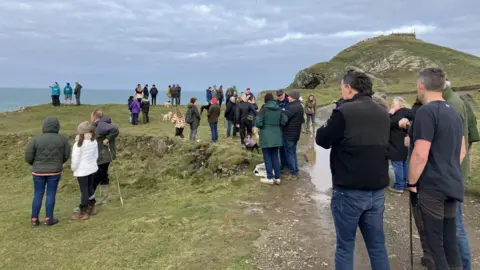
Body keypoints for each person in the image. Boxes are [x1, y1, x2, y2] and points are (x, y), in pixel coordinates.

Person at [315, 69, 391, 269]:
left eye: (342, 87)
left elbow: (322, 139)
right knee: (377, 245)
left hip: (348, 190)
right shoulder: (383, 113)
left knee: (345, 246)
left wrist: (337, 111)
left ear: (349, 88)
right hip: (376, 191)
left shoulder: (344, 112)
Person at [407, 68, 466, 270]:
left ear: (422, 86)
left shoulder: (426, 112)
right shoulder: (454, 112)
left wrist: (412, 182)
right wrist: (447, 167)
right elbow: (462, 151)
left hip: (432, 188)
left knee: (434, 243)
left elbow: (420, 153)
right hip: (452, 182)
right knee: (450, 240)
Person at [25, 117, 70, 227]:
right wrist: (58, 163)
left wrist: (35, 164)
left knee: (37, 194)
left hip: (38, 171)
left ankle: (34, 219)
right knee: (51, 194)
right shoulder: (62, 139)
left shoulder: (35, 139)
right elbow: (66, 155)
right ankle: (48, 218)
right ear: (57, 126)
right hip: (54, 171)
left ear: (44, 126)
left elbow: (28, 156)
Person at [255, 93, 288, 185]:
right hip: (277, 136)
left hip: (265, 136)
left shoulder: (263, 109)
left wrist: (263, 126)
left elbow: (258, 123)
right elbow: (284, 120)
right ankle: (277, 178)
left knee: (267, 157)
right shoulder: (279, 108)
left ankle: (269, 177)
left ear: (266, 100)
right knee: (275, 157)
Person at [70, 122, 98, 220]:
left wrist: (74, 168)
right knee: (90, 187)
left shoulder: (78, 144)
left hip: (82, 170)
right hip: (92, 168)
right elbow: (96, 155)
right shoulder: (93, 141)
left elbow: (75, 159)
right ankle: (92, 206)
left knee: (84, 190)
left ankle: (83, 211)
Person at [91, 110, 119, 206]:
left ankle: (89, 201)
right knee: (103, 176)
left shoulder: (101, 124)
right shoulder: (101, 124)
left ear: (94, 117)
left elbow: (115, 129)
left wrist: (108, 139)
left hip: (104, 155)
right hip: (104, 155)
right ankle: (104, 198)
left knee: (96, 177)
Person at [387, 97, 413, 193]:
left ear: (400, 105)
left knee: (397, 163)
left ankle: (399, 186)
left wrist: (390, 113)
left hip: (395, 143)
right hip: (404, 143)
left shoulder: (397, 114)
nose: (392, 105)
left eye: (394, 104)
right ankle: (406, 183)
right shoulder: (408, 113)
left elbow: (387, 122)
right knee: (404, 163)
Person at [281, 91, 304, 176]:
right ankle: (295, 169)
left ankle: (293, 172)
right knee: (293, 152)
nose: (288, 98)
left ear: (293, 97)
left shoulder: (292, 107)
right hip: (295, 134)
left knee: (290, 153)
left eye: (289, 96)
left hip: (289, 134)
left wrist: (282, 111)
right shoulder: (300, 106)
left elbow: (284, 119)